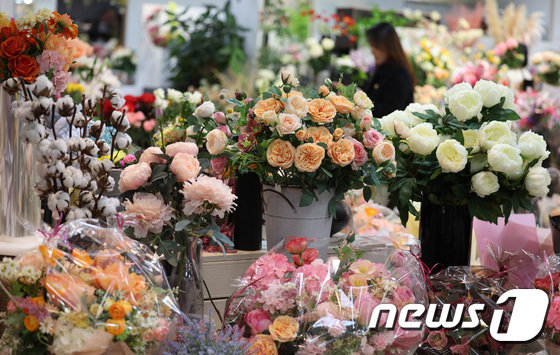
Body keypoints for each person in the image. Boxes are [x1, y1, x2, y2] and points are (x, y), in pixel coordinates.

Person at [362, 22, 415, 117]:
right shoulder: (383, 68)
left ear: (388, 47)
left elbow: (392, 110)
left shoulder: (399, 74)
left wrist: (364, 104)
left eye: (376, 47)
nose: (372, 51)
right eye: (372, 46)